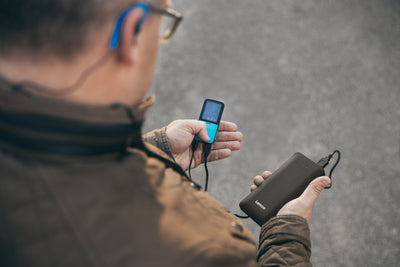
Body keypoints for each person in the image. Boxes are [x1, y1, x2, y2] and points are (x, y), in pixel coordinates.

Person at [0, 0, 332, 266]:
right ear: (131, 32)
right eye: (163, 21)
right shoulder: (182, 252)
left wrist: (156, 151)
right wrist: (288, 234)